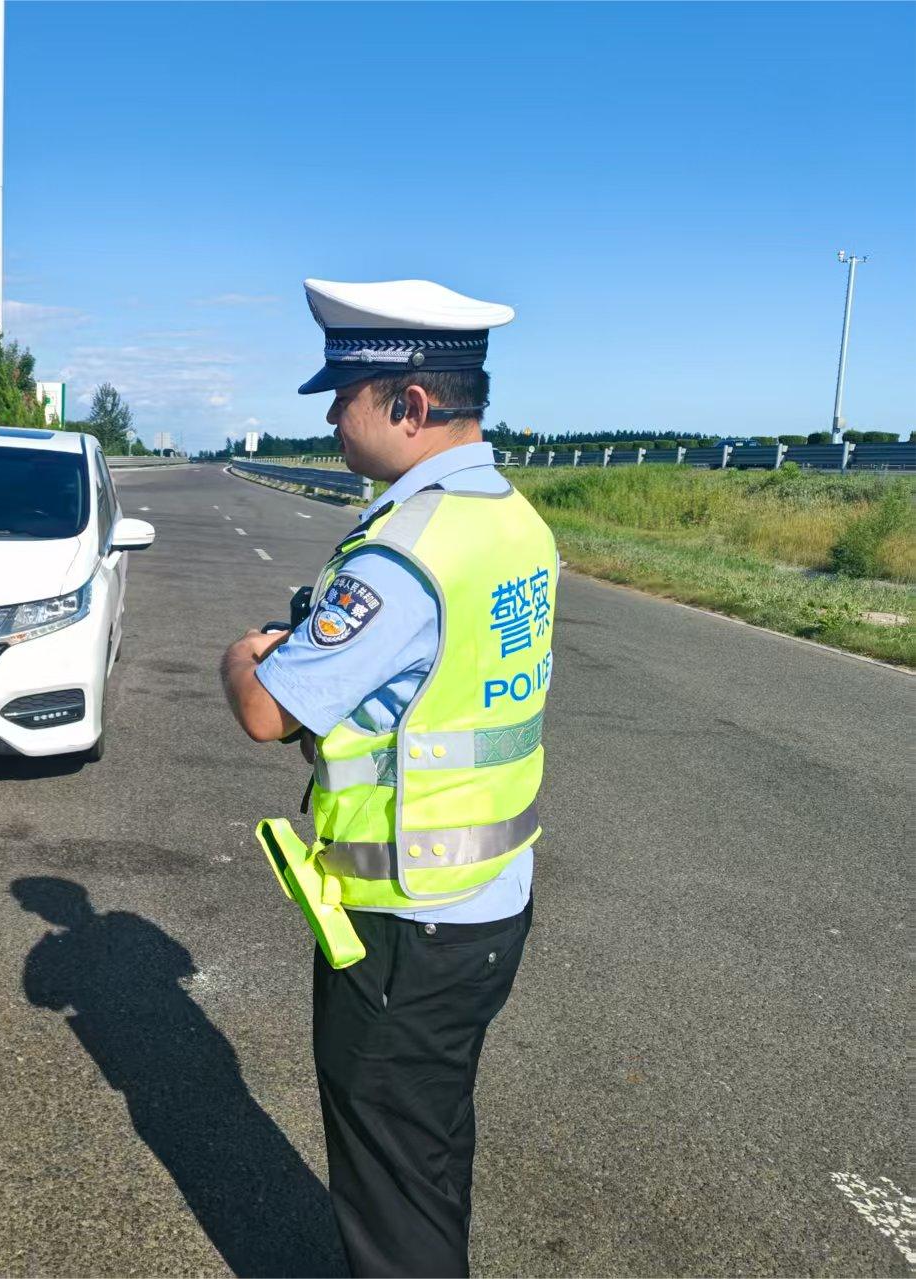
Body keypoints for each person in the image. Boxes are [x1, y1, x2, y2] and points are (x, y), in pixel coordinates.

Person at [219, 280, 557, 1277]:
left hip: (407, 923)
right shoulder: (514, 521)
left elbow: (267, 710)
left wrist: (244, 654)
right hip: (488, 899)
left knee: (392, 1198)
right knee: (425, 1154)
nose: (330, 415)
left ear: (409, 404)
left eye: (343, 395)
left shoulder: (403, 552)